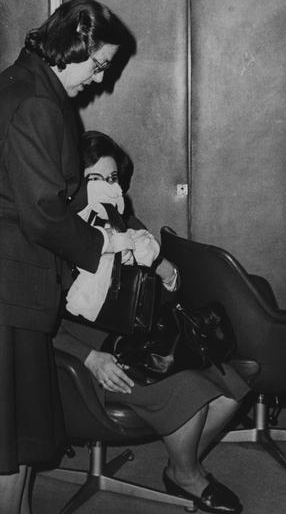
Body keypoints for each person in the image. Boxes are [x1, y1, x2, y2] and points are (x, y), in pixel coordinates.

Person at [0, 0, 136, 514]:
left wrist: (86, 204)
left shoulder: (25, 83)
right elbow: (42, 213)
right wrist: (105, 244)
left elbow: (31, 191)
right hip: (3, 280)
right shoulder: (37, 100)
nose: (101, 80)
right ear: (74, 46)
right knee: (9, 428)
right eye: (99, 64)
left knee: (20, 422)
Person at [54, 130, 248, 514]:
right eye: (94, 178)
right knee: (190, 390)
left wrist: (160, 267)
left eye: (112, 178)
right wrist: (90, 357)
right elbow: (33, 321)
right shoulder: (57, 235)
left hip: (137, 343)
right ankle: (189, 476)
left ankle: (180, 466)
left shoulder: (124, 223)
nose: (107, 187)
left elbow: (163, 300)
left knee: (232, 390)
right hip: (82, 356)